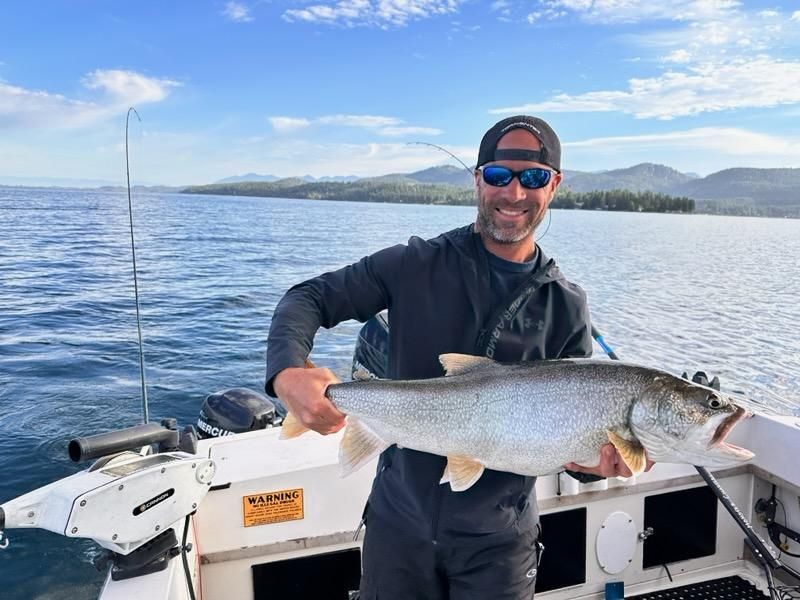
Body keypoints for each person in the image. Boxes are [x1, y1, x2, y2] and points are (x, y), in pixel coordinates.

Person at [265, 115, 643, 600]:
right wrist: (287, 372)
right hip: (397, 530)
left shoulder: (566, 305)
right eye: (499, 176)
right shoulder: (414, 265)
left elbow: (567, 444)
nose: (513, 194)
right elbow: (308, 298)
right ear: (477, 179)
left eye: (532, 178)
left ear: (554, 185)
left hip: (499, 546)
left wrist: (591, 464)